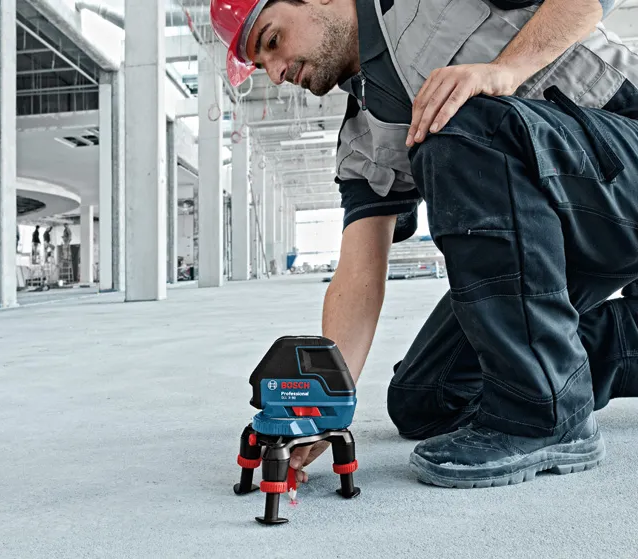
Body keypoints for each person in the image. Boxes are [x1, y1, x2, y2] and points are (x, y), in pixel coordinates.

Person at [210, 0, 638, 488]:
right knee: (427, 397)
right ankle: (577, 365)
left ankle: (546, 416)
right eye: (264, 67)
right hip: (569, 234)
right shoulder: (363, 139)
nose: (278, 73)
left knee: (454, 115)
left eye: (272, 42)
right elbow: (359, 273)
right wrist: (325, 405)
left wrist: (504, 71)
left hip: (625, 165)